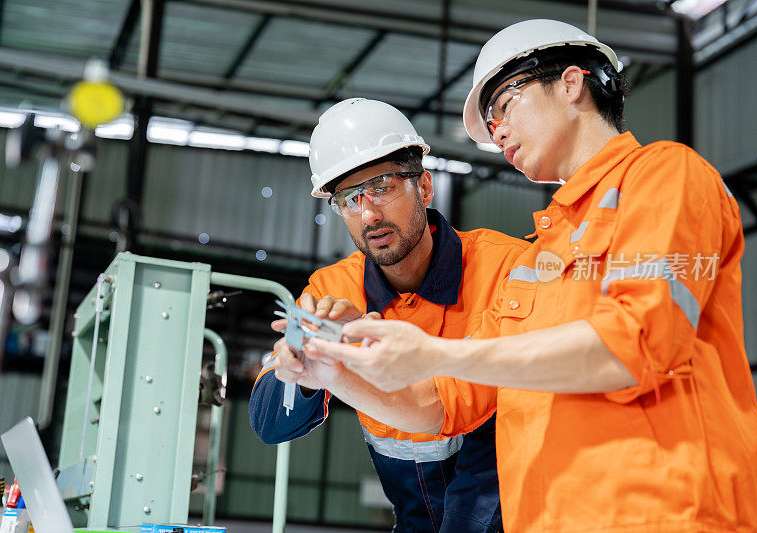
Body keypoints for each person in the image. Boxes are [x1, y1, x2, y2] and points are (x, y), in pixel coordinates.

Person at [307, 20, 757, 531]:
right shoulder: (537, 260)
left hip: (664, 514)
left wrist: (436, 352)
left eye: (503, 104)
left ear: (570, 84)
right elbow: (445, 405)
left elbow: (637, 342)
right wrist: (332, 373)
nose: (496, 131)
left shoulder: (664, 176)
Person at [249, 98, 528, 532]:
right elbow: (270, 425)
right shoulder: (330, 293)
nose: (369, 214)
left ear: (425, 187)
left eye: (382, 187)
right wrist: (301, 366)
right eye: (349, 199)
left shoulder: (507, 269)